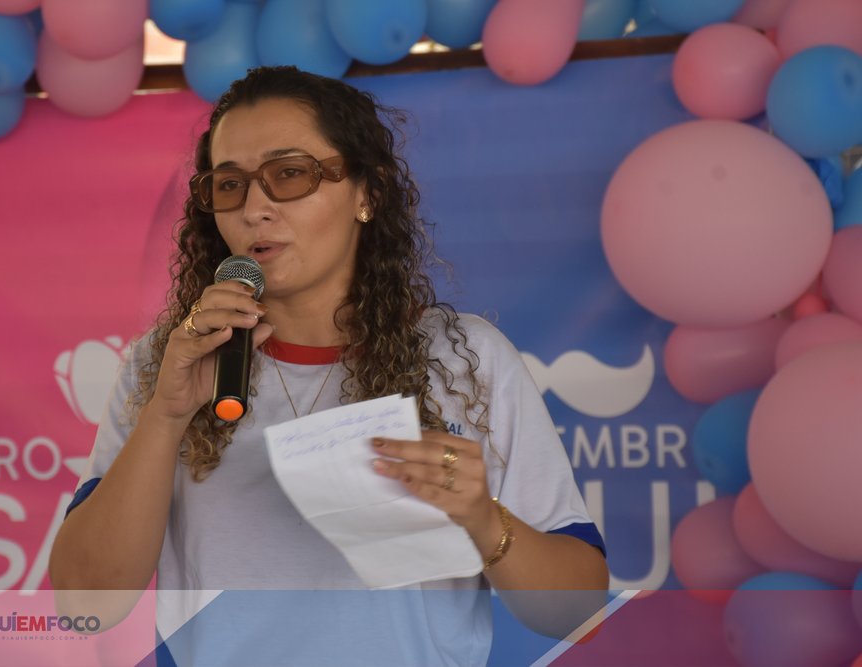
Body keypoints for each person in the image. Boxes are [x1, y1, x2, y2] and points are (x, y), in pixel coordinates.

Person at [49, 65, 608, 666]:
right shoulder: (167, 365)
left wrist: (482, 518)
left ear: (368, 193)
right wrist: (167, 415)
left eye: (289, 174)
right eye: (230, 185)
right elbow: (86, 605)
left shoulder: (464, 359)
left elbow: (577, 613)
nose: (255, 209)